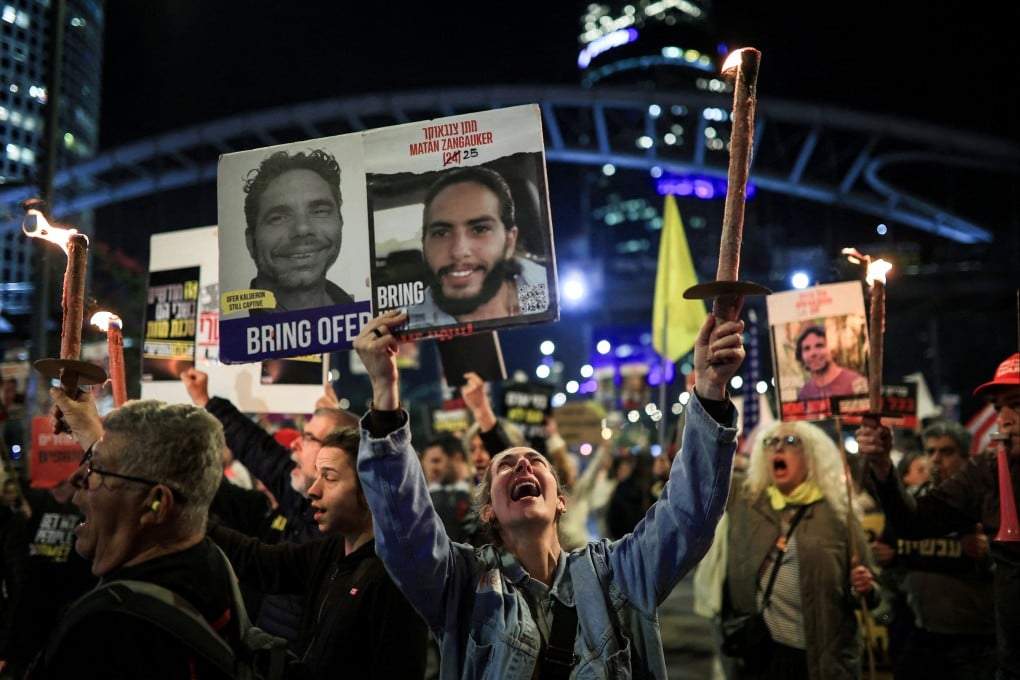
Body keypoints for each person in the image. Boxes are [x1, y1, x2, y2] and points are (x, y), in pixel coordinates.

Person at [354, 307, 746, 677]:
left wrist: (710, 389)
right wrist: (385, 392)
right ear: (488, 510)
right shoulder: (460, 583)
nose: (522, 464)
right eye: (505, 465)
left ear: (561, 499)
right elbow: (405, 527)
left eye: (534, 461)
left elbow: (687, 512)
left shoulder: (618, 574)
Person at [29, 390, 235, 679]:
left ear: (156, 505)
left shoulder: (107, 634)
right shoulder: (214, 565)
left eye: (95, 469)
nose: (77, 478)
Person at [209, 428, 429, 679]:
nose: (313, 489)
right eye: (317, 475)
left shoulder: (394, 579)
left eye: (329, 477)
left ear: (370, 490)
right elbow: (262, 562)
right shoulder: (331, 549)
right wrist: (192, 523)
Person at [859, 353, 1020, 680]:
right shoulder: (987, 470)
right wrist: (882, 467)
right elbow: (914, 521)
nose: (1003, 419)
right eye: (998, 407)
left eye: (1015, 405)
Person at [181, 367, 359, 651]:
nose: (295, 445)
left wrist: (183, 519)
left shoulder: (338, 541)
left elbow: (259, 561)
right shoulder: (305, 505)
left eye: (310, 437)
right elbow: (260, 450)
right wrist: (207, 401)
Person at [715, 419, 879, 679]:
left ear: (812, 456)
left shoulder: (838, 514)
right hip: (763, 654)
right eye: (771, 442)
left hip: (820, 659)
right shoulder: (746, 500)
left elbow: (872, 591)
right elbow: (700, 473)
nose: (778, 448)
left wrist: (863, 587)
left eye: (791, 442)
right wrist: (706, 397)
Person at [877, 418, 997, 680]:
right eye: (931, 451)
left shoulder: (984, 499)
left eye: (947, 451)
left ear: (967, 456)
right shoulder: (916, 502)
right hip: (920, 631)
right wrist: (888, 559)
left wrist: (988, 552)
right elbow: (892, 555)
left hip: (973, 638)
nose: (936, 459)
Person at [406, 165, 550, 328]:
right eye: (441, 233)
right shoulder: (408, 326)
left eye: (480, 229)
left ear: (509, 242)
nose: (459, 251)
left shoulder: (545, 290)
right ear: (424, 245)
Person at [242, 147, 354, 314]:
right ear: (251, 241)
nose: (302, 229)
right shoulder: (235, 329)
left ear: (340, 222)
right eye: (278, 218)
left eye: (319, 211)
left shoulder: (362, 317)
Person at [794, 324, 867, 400]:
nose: (813, 353)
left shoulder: (856, 382)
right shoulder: (804, 393)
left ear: (832, 348)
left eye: (819, 345)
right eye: (807, 348)